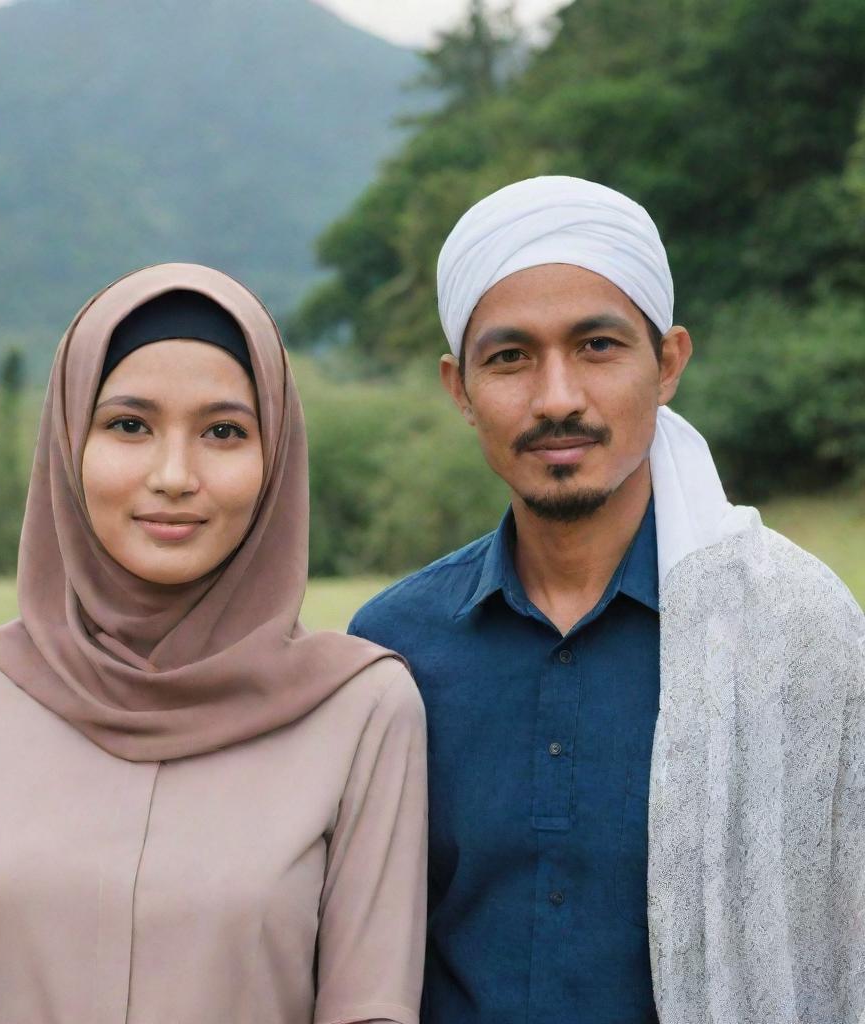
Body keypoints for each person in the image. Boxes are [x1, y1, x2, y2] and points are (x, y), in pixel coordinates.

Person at [0, 263, 427, 1024]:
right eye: (129, 425)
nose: (174, 475)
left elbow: (370, 1013)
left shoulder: (362, 711)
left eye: (224, 432)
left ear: (276, 457)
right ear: (68, 444)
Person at [349, 176, 864, 1024]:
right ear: (458, 389)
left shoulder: (796, 631)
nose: (557, 398)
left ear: (667, 364)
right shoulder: (393, 649)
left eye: (597, 346)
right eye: (510, 356)